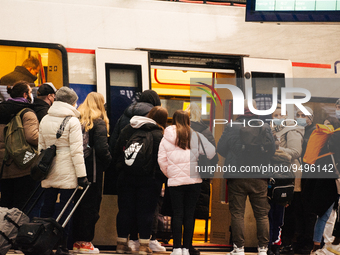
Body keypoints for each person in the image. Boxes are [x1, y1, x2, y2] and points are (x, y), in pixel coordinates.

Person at [105, 89, 165, 252]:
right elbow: (161, 159)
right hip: (149, 180)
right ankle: (144, 246)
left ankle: (121, 244)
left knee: (125, 210)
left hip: (126, 177)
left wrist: (120, 168)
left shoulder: (127, 128)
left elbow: (115, 150)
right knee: (146, 211)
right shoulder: (158, 133)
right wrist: (159, 178)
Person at [217, 100, 275, 255]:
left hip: (237, 176)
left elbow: (221, 149)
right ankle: (263, 248)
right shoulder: (265, 127)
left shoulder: (231, 127)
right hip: (260, 176)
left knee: (237, 213)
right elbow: (272, 151)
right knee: (262, 214)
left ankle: (239, 248)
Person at [39, 86, 89, 255]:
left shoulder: (45, 119)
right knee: (66, 210)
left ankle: (43, 243)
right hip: (68, 170)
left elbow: (41, 148)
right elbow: (77, 151)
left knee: (47, 209)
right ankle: (62, 246)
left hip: (48, 168)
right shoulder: (72, 121)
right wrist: (82, 175)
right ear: (71, 102)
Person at [158, 110, 215, 255]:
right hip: (194, 180)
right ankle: (186, 247)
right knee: (189, 214)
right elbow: (212, 152)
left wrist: (170, 174)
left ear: (173, 120)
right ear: (188, 120)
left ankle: (176, 249)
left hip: (175, 182)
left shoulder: (167, 137)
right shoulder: (196, 135)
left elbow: (161, 160)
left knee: (177, 214)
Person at [72, 92, 112, 254]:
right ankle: (85, 242)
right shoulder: (99, 122)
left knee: (79, 205)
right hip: (93, 170)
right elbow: (102, 149)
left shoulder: (78, 120)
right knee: (91, 206)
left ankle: (76, 241)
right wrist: (109, 162)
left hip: (77, 169)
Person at [302, 117, 340, 255]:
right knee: (330, 216)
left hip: (322, 184)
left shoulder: (320, 142)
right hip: (333, 182)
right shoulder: (334, 140)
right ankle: (329, 245)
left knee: (323, 216)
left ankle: (317, 246)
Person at [185, 102, 218, 255]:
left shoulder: (178, 130)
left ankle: (178, 245)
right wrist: (209, 175)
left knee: (179, 212)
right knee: (191, 211)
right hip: (198, 177)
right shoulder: (206, 132)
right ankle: (188, 245)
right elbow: (214, 157)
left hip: (179, 176)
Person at [0, 81, 39, 210]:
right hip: (21, 165)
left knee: (4, 204)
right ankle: (16, 230)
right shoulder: (27, 113)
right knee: (20, 207)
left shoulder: (1, 109)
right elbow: (32, 137)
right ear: (25, 94)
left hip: (3, 166)